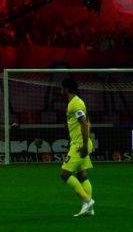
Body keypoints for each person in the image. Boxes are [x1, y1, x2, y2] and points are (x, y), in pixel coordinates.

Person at [60, 78, 95, 217]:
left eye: (61, 88)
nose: (60, 91)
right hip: (80, 142)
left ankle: (87, 200)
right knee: (82, 175)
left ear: (67, 89)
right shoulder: (74, 103)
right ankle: (88, 209)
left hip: (80, 145)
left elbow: (84, 124)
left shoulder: (76, 103)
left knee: (64, 174)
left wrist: (85, 145)